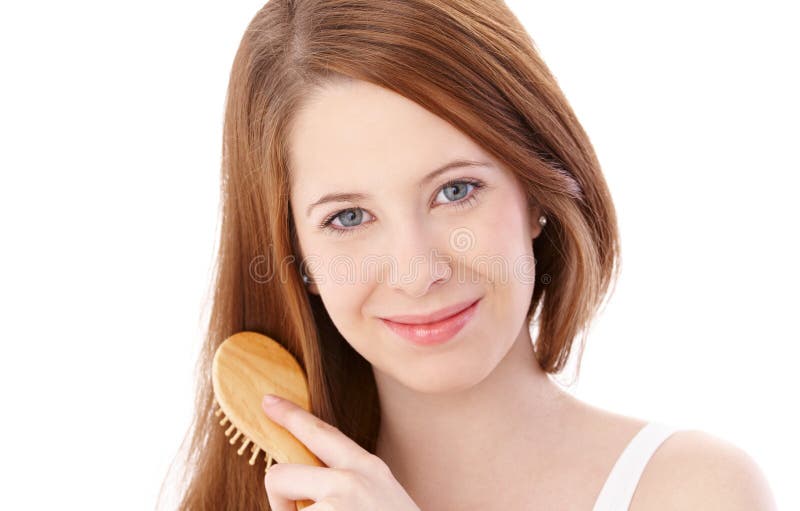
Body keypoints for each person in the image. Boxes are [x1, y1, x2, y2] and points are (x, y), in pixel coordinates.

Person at [167, 1, 777, 509]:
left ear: (537, 190)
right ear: (297, 256)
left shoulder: (694, 490)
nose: (418, 272)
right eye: (348, 217)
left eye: (456, 191)